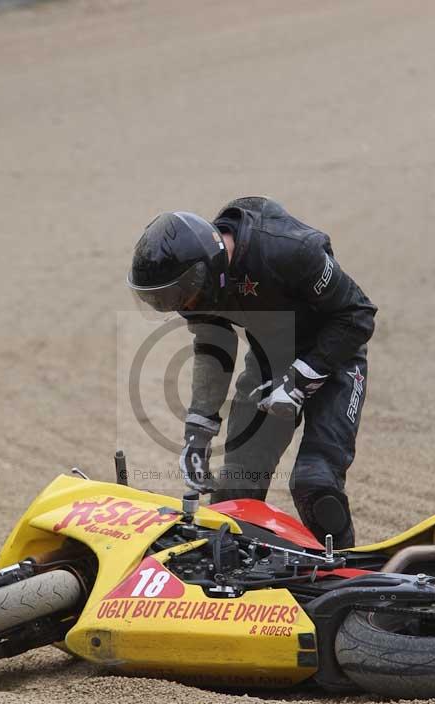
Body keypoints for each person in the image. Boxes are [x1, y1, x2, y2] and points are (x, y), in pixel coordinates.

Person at [127, 196, 377, 548]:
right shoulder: (195, 288)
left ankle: (349, 581)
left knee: (314, 482)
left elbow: (357, 313)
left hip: (334, 352)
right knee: (234, 491)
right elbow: (214, 345)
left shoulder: (289, 251)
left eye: (179, 297)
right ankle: (233, 589)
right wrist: (197, 432)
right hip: (270, 358)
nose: (181, 307)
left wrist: (299, 381)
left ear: (203, 271)